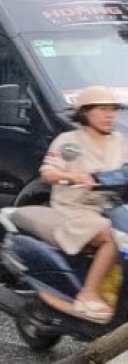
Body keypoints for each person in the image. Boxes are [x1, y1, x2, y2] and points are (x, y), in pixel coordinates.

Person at [39, 85, 128, 322]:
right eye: (102, 109)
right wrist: (72, 176)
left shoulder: (119, 140)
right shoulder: (70, 142)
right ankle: (87, 294)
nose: (109, 115)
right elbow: (48, 172)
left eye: (113, 110)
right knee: (113, 236)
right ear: (85, 112)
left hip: (112, 208)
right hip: (75, 209)